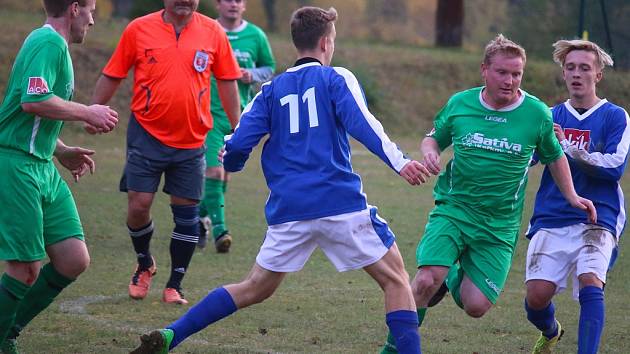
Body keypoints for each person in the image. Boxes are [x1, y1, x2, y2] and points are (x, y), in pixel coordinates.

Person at [131, 6, 430, 353]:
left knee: (254, 287)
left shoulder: (270, 91)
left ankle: (172, 335)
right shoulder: (336, 78)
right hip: (338, 203)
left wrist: (237, 159)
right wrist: (401, 162)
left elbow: (238, 143)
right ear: (324, 42)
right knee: (396, 281)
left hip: (289, 210)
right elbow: (364, 125)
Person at [379, 34, 598, 353]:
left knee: (476, 305)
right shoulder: (461, 103)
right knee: (426, 280)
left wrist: (573, 196)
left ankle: (453, 272)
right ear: (485, 70)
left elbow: (554, 157)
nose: (510, 80)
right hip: (454, 210)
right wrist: (430, 153)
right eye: (502, 72)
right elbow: (432, 138)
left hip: (498, 225)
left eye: (517, 74)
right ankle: (392, 348)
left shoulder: (536, 113)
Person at [90, 0, 242, 305]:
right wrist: (91, 111)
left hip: (191, 139)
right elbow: (113, 73)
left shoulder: (213, 32)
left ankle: (175, 284)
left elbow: (227, 83)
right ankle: (144, 262)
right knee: (138, 205)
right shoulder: (138, 29)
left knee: (186, 215)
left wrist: (238, 129)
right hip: (146, 134)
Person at [0, 0, 119, 352]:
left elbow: (33, 115)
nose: (93, 20)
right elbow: (33, 101)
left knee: (73, 259)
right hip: (17, 165)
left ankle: (9, 330)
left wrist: (62, 150)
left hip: (42, 165)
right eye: (91, 10)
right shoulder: (47, 42)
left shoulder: (55, 46)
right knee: (24, 269)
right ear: (74, 8)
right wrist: (88, 111)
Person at [523, 40, 628, 354]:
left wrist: (566, 148)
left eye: (585, 68)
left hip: (599, 215)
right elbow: (525, 158)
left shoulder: (615, 116)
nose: (577, 74)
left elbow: (614, 167)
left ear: (598, 75)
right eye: (571, 68)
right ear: (563, 74)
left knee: (590, 282)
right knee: (536, 298)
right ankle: (551, 330)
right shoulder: (549, 115)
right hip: (552, 215)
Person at [197, 0, 276, 253]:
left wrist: (251, 75)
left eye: (238, 0)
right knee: (214, 172)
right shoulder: (205, 30)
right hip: (206, 115)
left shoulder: (256, 35)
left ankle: (198, 217)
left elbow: (270, 69)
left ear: (244, 6)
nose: (233, 4)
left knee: (225, 174)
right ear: (218, 4)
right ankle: (221, 231)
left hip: (236, 116)